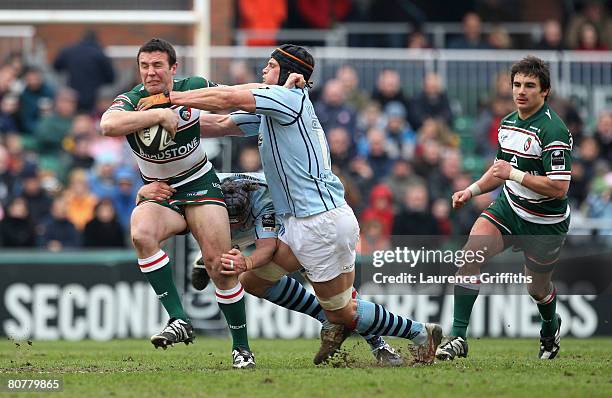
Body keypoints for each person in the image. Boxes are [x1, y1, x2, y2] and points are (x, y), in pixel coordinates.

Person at [137, 44, 443, 364]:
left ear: (287, 72)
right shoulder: (273, 109)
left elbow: (227, 98)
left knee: (343, 311)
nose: (263, 72)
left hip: (320, 221)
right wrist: (153, 122)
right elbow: (219, 124)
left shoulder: (288, 98)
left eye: (269, 66)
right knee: (253, 281)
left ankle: (419, 332)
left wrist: (167, 98)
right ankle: (338, 324)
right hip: (298, 221)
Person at [99, 38, 255, 369]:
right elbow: (107, 125)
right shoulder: (131, 100)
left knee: (219, 266)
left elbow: (230, 101)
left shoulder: (193, 87)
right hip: (160, 192)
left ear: (173, 67)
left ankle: (241, 349)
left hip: (199, 182)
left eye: (157, 65)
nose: (150, 72)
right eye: (144, 66)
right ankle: (179, 320)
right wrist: (155, 117)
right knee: (141, 233)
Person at [139, 172, 403, 366]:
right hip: (242, 224)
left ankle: (379, 343)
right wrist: (144, 192)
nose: (230, 228)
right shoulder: (210, 190)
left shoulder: (263, 203)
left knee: (332, 289)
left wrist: (246, 261)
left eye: (236, 224)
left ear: (246, 215)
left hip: (296, 222)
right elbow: (169, 189)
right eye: (227, 225)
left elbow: (266, 249)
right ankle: (328, 319)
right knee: (251, 281)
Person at [436, 56, 573, 361]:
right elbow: (499, 170)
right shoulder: (508, 123)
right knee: (470, 256)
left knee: (537, 289)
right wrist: (470, 191)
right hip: (509, 208)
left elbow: (559, 187)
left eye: (529, 85)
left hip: (545, 222)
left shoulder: (553, 131)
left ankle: (550, 328)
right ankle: (458, 336)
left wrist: (513, 175)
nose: (521, 91)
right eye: (517, 84)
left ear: (545, 91)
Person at [53, 30, 115, 112]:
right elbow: (111, 77)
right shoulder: (100, 54)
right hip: (94, 96)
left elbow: (56, 66)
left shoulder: (70, 51)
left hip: (73, 95)